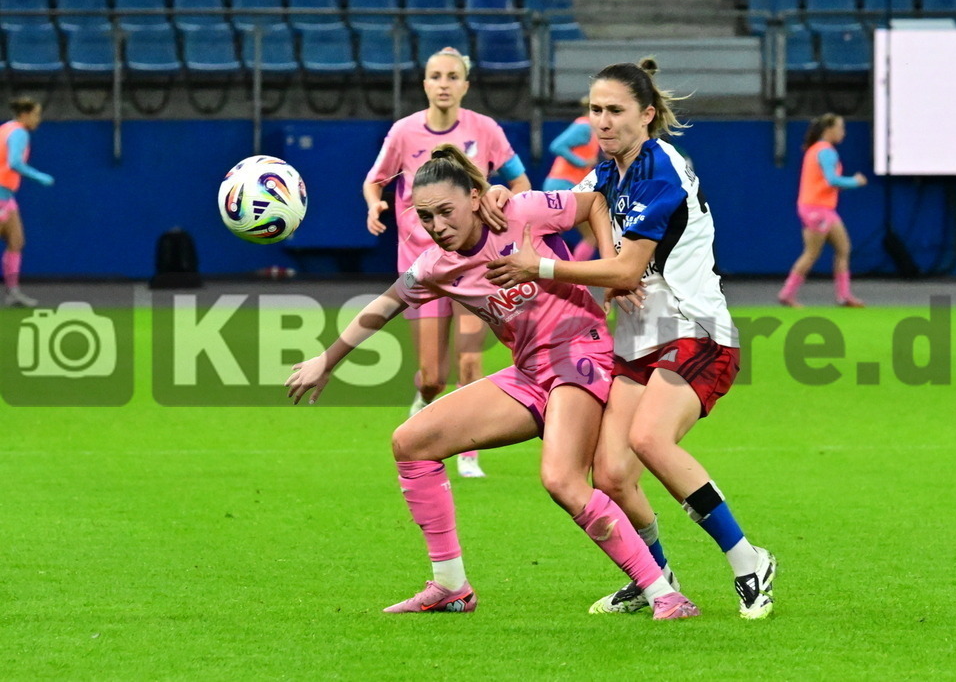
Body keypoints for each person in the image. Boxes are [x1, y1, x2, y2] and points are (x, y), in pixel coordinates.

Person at [288, 144, 699, 620]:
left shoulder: (521, 213)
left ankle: (664, 593)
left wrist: (612, 273)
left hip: (582, 355)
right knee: (410, 442)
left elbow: (593, 203)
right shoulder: (436, 266)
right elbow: (384, 305)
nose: (437, 225)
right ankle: (450, 586)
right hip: (528, 374)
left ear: (476, 198)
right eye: (426, 216)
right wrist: (328, 359)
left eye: (446, 211)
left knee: (562, 480)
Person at [485, 59, 777, 620]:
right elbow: (565, 207)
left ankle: (749, 561)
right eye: (595, 110)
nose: (602, 121)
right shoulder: (609, 171)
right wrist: (499, 195)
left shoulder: (659, 172)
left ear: (646, 115)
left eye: (614, 110)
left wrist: (540, 268)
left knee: (650, 439)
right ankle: (655, 577)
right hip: (638, 342)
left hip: (697, 330)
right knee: (612, 474)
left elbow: (624, 271)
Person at [363, 47, 531, 479]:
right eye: (435, 75)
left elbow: (519, 178)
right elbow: (374, 180)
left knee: (471, 359)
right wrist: (374, 205)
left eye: (452, 76)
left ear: (465, 85)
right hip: (423, 265)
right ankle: (425, 400)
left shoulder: (485, 129)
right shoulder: (403, 132)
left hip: (475, 262)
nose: (443, 83)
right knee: (434, 375)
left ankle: (467, 451)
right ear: (424, 83)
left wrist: (507, 199)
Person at [778, 113, 868, 308]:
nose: (843, 132)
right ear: (829, 129)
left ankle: (844, 296)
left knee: (843, 248)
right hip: (817, 209)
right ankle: (787, 293)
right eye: (840, 127)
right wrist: (856, 181)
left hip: (820, 208)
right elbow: (832, 180)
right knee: (812, 253)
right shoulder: (826, 151)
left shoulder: (817, 150)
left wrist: (843, 184)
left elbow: (826, 182)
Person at [1, 97, 54, 308]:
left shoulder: (5, 128)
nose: (38, 119)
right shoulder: (20, 132)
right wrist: (39, 176)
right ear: (25, 114)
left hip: (7, 197)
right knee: (15, 241)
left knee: (17, 241)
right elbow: (14, 162)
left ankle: (12, 293)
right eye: (36, 114)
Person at [543, 103, 601, 262]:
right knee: (591, 236)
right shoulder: (585, 127)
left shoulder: (593, 130)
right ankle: (573, 278)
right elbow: (557, 145)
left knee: (548, 235)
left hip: (565, 185)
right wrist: (583, 162)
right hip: (564, 185)